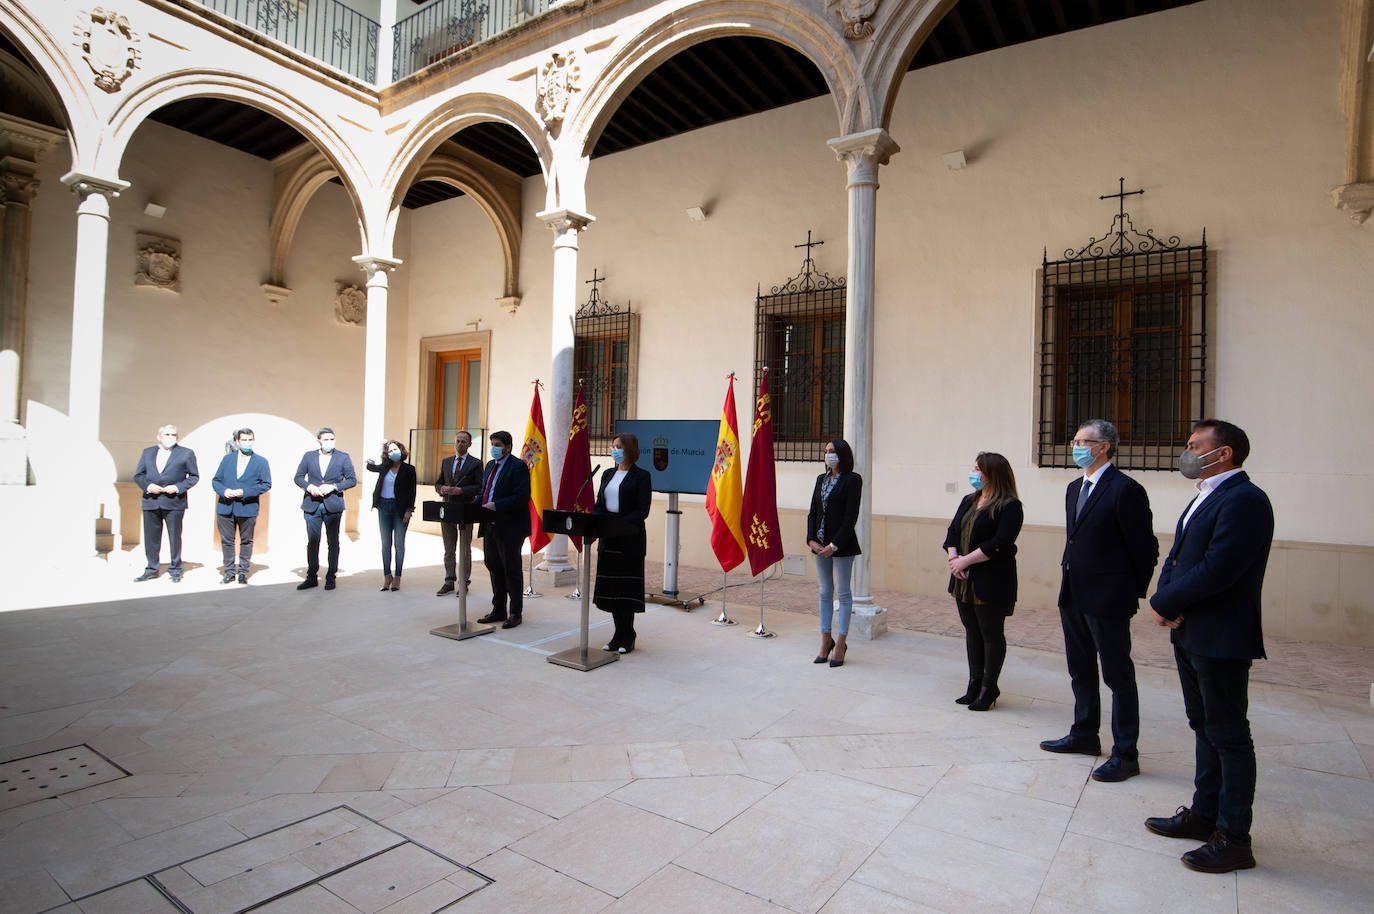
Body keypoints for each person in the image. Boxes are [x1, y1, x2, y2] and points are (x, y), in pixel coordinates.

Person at [1144, 419, 1273, 874]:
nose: (1188, 451)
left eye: (1196, 445)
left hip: (1221, 635)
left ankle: (1235, 836)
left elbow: (1221, 567)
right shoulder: (1206, 494)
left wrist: (1166, 600)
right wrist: (1165, 597)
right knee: (1203, 725)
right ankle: (1205, 814)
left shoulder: (1246, 500)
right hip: (1192, 629)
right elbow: (1179, 555)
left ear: (1225, 454)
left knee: (1229, 733)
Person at [1040, 420, 1159, 782]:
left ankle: (1126, 753)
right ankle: (1084, 733)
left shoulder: (1126, 490)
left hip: (1109, 597)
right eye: (1074, 440)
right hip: (1074, 592)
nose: (1076, 446)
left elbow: (1145, 549)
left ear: (1105, 446)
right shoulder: (1075, 487)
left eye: (1084, 441)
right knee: (1080, 668)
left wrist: (1129, 592)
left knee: (1117, 675)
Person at [943, 452, 1023, 712]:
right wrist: (955, 559)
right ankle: (974, 683)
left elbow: (1000, 543)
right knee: (972, 631)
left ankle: (989, 687)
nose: (973, 473)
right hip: (963, 579)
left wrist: (966, 561)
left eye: (978, 469)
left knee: (991, 633)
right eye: (974, 468)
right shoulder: (969, 500)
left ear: (993, 474)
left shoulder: (1009, 506)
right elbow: (953, 530)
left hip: (991, 580)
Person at [593, 433, 653, 654]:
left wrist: (617, 524)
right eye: (613, 446)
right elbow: (599, 503)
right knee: (612, 590)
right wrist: (600, 521)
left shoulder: (641, 476)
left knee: (626, 591)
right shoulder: (608, 474)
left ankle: (628, 635)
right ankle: (617, 634)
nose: (614, 450)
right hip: (609, 538)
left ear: (629, 449)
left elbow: (642, 510)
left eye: (618, 446)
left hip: (629, 538)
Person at [806, 439, 862, 667]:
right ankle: (825, 640)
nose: (829, 455)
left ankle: (840, 643)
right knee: (824, 592)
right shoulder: (821, 479)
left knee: (844, 594)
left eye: (833, 451)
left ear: (843, 455)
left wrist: (835, 544)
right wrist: (810, 539)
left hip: (842, 546)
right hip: (819, 545)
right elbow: (812, 512)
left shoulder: (852, 479)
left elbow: (851, 517)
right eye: (826, 451)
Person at [476, 430, 531, 628]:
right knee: (493, 566)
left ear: (508, 447)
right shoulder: (490, 465)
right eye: (492, 444)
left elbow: (521, 497)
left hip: (510, 527)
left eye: (498, 444)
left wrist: (496, 505)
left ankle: (515, 612)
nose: (494, 448)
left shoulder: (518, 466)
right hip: (489, 525)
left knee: (511, 569)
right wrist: (472, 507)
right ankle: (498, 609)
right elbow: (484, 492)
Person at [132, 424, 200, 583]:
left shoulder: (186, 453)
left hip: (174, 503)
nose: (170, 437)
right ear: (159, 436)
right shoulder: (147, 453)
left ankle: (176, 569)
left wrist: (177, 487)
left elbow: (194, 476)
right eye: (167, 434)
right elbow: (139, 475)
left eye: (174, 435)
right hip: (151, 501)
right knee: (151, 538)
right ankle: (151, 569)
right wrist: (148, 486)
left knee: (175, 537)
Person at [293, 427, 356, 591]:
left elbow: (351, 480)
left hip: (332, 505)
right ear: (319, 440)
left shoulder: (343, 457)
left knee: (333, 542)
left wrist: (334, 487)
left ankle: (330, 576)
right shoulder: (309, 456)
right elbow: (298, 477)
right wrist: (309, 487)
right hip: (312, 504)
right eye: (326, 439)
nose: (329, 442)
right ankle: (311, 576)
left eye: (332, 439)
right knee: (313, 541)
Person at [210, 428, 272, 584]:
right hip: (226, 506)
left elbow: (266, 484)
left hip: (247, 507)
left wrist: (244, 492)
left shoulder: (261, 461)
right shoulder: (227, 459)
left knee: (246, 540)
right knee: (227, 541)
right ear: (237, 442)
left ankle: (243, 571)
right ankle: (229, 572)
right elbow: (216, 480)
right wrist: (225, 491)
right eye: (244, 440)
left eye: (250, 439)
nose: (247, 442)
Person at [435, 430, 483, 596]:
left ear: (469, 444)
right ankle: (449, 580)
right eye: (458, 441)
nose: (460, 444)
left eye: (464, 441)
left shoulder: (476, 463)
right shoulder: (446, 462)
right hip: (447, 509)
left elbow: (479, 487)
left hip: (465, 510)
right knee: (449, 548)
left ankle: (464, 582)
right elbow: (438, 482)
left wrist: (461, 490)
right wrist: (441, 489)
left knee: (464, 548)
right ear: (454, 443)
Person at [366, 439, 416, 591]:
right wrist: (380, 448)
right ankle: (387, 576)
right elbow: (370, 466)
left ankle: (398, 577)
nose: (392, 453)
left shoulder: (409, 469)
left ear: (401, 450)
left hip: (400, 509)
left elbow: (412, 491)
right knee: (385, 544)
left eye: (395, 449)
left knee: (399, 545)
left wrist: (409, 510)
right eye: (389, 451)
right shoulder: (384, 468)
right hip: (383, 506)